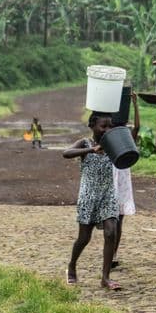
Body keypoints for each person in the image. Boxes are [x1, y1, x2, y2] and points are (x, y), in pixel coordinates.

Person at [64, 112, 121, 290]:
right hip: (88, 195)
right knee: (84, 238)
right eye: (103, 126)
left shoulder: (113, 145)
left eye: (110, 126)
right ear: (92, 126)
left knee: (111, 232)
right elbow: (66, 153)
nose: (107, 130)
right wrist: (91, 150)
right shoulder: (85, 143)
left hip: (108, 194)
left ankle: (105, 278)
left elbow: (131, 144)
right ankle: (72, 265)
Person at [111, 91, 141, 269]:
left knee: (119, 218)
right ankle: (110, 251)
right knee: (112, 218)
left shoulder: (126, 135)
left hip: (121, 178)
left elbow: (136, 128)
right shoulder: (107, 135)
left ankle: (114, 252)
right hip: (112, 177)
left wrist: (135, 104)